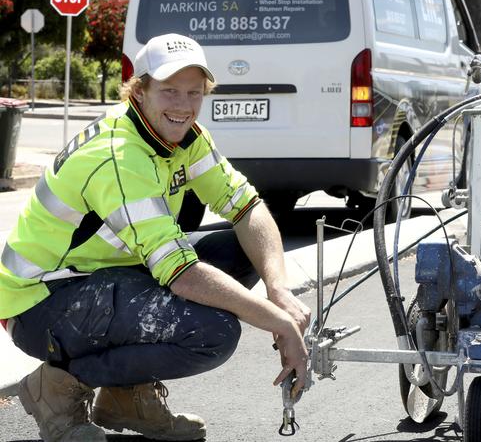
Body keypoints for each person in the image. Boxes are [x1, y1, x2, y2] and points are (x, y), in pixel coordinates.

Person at [0, 33, 310, 442]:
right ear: (139, 89)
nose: (183, 105)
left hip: (103, 278)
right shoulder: (120, 155)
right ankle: (58, 387)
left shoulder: (184, 136)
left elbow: (246, 207)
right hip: (40, 304)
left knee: (244, 252)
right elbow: (179, 272)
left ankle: (125, 398)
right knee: (211, 333)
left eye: (194, 93)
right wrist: (280, 323)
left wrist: (278, 288)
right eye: (169, 91)